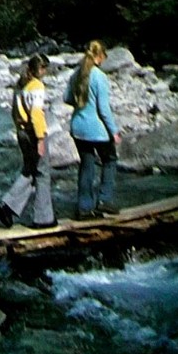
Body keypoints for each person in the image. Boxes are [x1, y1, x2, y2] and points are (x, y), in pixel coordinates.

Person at [0, 53, 57, 230]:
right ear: (40, 69)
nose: (46, 71)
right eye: (44, 68)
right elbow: (37, 114)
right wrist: (40, 138)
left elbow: (15, 111)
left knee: (29, 169)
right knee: (43, 173)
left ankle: (8, 205)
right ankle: (44, 218)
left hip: (22, 132)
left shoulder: (20, 84)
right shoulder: (36, 86)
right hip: (33, 133)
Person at [63, 39, 122, 220]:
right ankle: (104, 200)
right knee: (110, 160)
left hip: (78, 128)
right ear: (99, 56)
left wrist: (81, 103)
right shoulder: (99, 77)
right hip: (97, 130)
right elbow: (103, 109)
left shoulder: (77, 74)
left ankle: (84, 208)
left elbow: (66, 98)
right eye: (103, 56)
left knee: (87, 165)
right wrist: (114, 131)